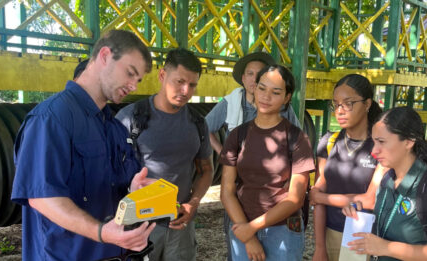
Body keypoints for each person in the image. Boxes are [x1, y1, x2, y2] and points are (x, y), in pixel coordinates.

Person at [11, 30, 157, 260]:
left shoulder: (116, 129)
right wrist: (101, 232)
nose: (133, 86)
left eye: (138, 80)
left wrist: (133, 192)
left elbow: (111, 191)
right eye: (130, 73)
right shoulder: (51, 119)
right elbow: (41, 197)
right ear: (105, 55)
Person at [115, 48, 213, 261]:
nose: (185, 90)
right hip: (140, 227)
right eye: (179, 81)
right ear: (162, 75)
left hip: (180, 225)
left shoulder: (197, 123)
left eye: (192, 85)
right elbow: (110, 172)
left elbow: (206, 169)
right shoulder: (130, 119)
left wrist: (192, 204)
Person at [205, 51, 301, 261]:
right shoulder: (234, 121)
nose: (266, 96)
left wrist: (252, 228)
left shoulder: (294, 135)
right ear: (249, 83)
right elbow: (227, 192)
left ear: (286, 98)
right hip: (241, 211)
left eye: (275, 92)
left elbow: (295, 197)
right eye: (260, 86)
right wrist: (225, 154)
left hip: (280, 226)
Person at [344, 107, 427, 261]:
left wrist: (386, 247)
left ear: (409, 141)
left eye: (381, 142)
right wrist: (359, 216)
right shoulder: (386, 179)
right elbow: (386, 230)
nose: (374, 151)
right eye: (373, 142)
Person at [309, 74, 386, 261]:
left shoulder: (381, 146)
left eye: (348, 103)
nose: (340, 111)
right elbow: (315, 197)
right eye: (336, 104)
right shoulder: (329, 142)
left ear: (367, 104)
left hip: (363, 234)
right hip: (329, 233)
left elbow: (370, 200)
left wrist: (322, 197)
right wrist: (319, 248)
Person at [205, 52, 301, 155]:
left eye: (259, 74)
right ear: (243, 79)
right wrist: (224, 154)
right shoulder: (231, 103)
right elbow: (204, 129)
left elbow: (298, 139)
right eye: (250, 74)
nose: (254, 79)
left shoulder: (281, 105)